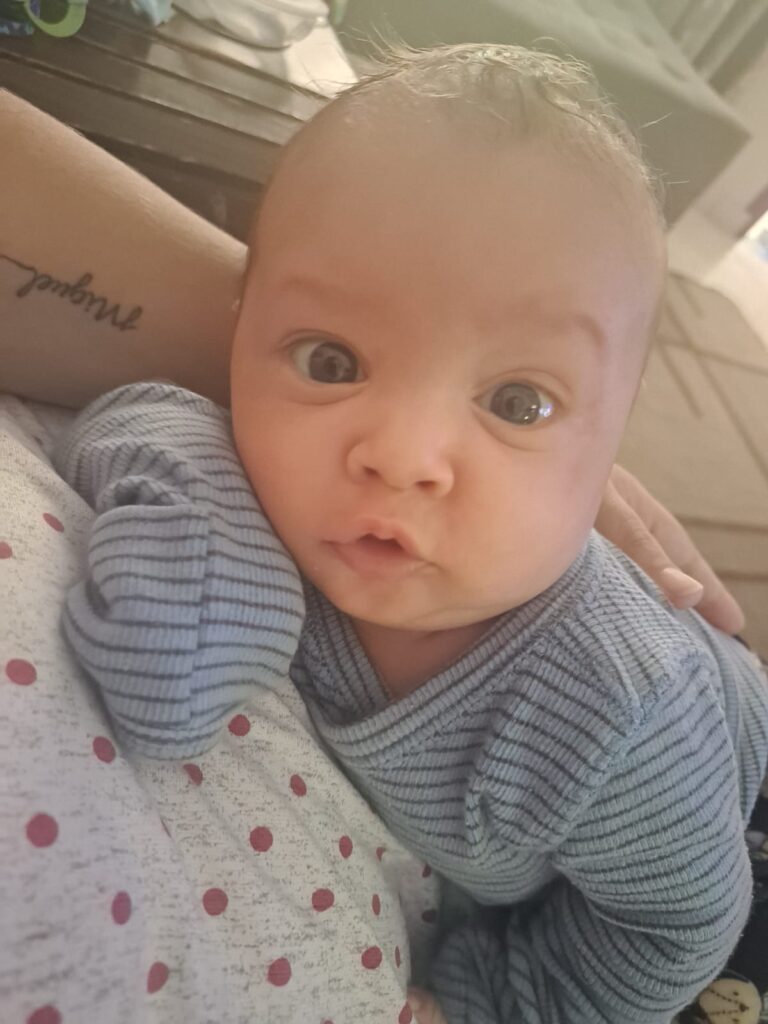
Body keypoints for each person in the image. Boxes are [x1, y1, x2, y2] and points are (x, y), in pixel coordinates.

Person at [0, 61, 763, 1022]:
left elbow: (673, 928)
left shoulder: (615, 714)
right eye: (332, 361)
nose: (401, 457)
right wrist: (201, 566)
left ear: (618, 437)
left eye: (518, 403)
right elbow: (146, 418)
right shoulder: (259, 470)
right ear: (239, 331)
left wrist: (487, 1000)